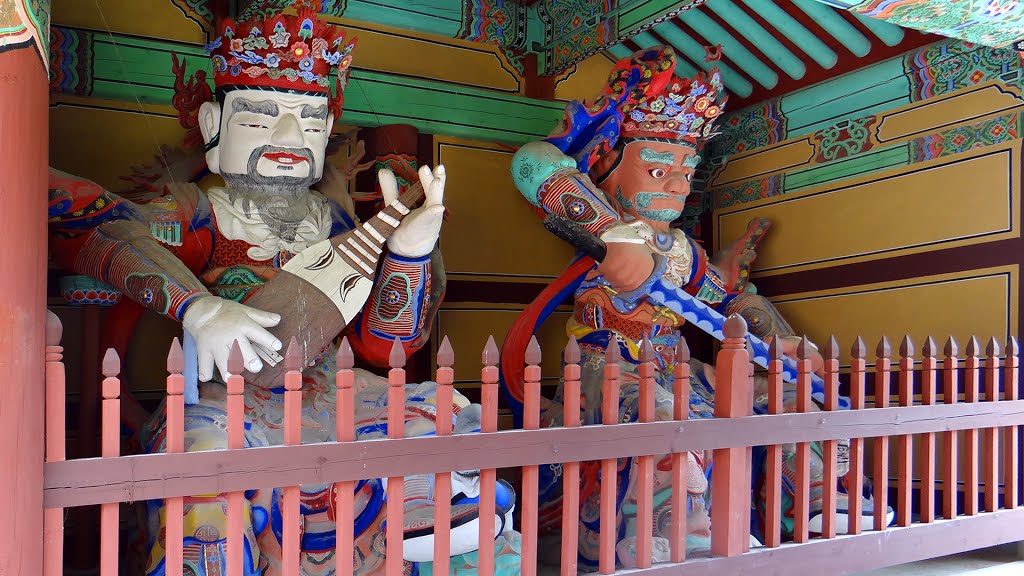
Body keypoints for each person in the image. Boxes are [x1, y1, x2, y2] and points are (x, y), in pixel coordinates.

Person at [48, 5, 518, 574]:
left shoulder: (339, 225)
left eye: (310, 120)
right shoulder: (198, 212)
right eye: (263, 118)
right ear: (213, 127)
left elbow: (381, 349)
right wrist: (197, 307)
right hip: (231, 405)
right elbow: (93, 225)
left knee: (452, 431)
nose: (291, 137)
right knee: (205, 472)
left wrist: (410, 253)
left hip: (342, 395)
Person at [503, 46, 886, 570]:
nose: (679, 184)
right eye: (659, 171)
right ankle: (674, 530)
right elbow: (532, 162)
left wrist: (782, 341)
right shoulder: (603, 231)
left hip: (676, 362)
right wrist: (611, 235)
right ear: (607, 170)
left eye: (686, 171)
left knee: (785, 395)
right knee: (664, 416)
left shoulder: (685, 251)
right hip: (605, 362)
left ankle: (817, 504)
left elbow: (728, 301)